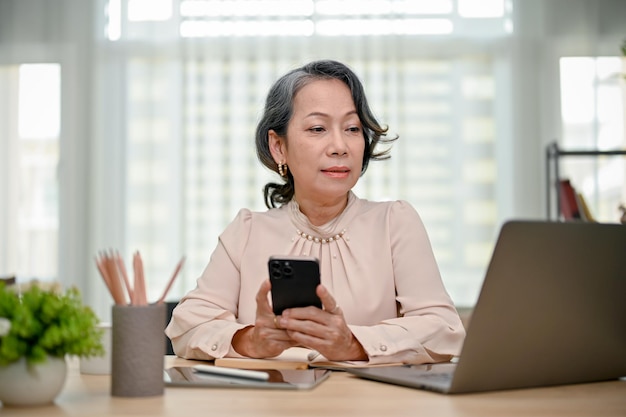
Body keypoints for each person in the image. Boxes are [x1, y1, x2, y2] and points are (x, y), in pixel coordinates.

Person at [165, 59, 465, 364]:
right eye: (318, 128)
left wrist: (353, 344)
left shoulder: (394, 222)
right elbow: (187, 326)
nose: (339, 146)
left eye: (351, 128)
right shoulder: (247, 231)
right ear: (278, 146)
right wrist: (251, 340)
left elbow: (445, 330)